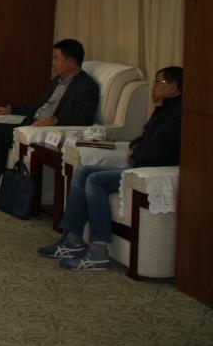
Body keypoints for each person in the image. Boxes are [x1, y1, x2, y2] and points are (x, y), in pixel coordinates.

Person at [38, 66, 183, 271]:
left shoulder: (179, 115)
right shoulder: (164, 109)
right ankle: (73, 239)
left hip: (152, 171)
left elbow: (161, 149)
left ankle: (98, 250)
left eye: (160, 82)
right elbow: (143, 138)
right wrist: (134, 147)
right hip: (140, 164)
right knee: (83, 171)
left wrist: (137, 153)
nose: (154, 86)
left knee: (96, 180)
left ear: (174, 88)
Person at [0, 38, 100, 203]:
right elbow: (38, 107)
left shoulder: (86, 86)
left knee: (1, 136)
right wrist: (11, 108)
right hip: (29, 124)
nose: (53, 63)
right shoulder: (57, 81)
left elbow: (84, 117)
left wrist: (55, 120)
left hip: (43, 131)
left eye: (57, 58)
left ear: (70, 62)